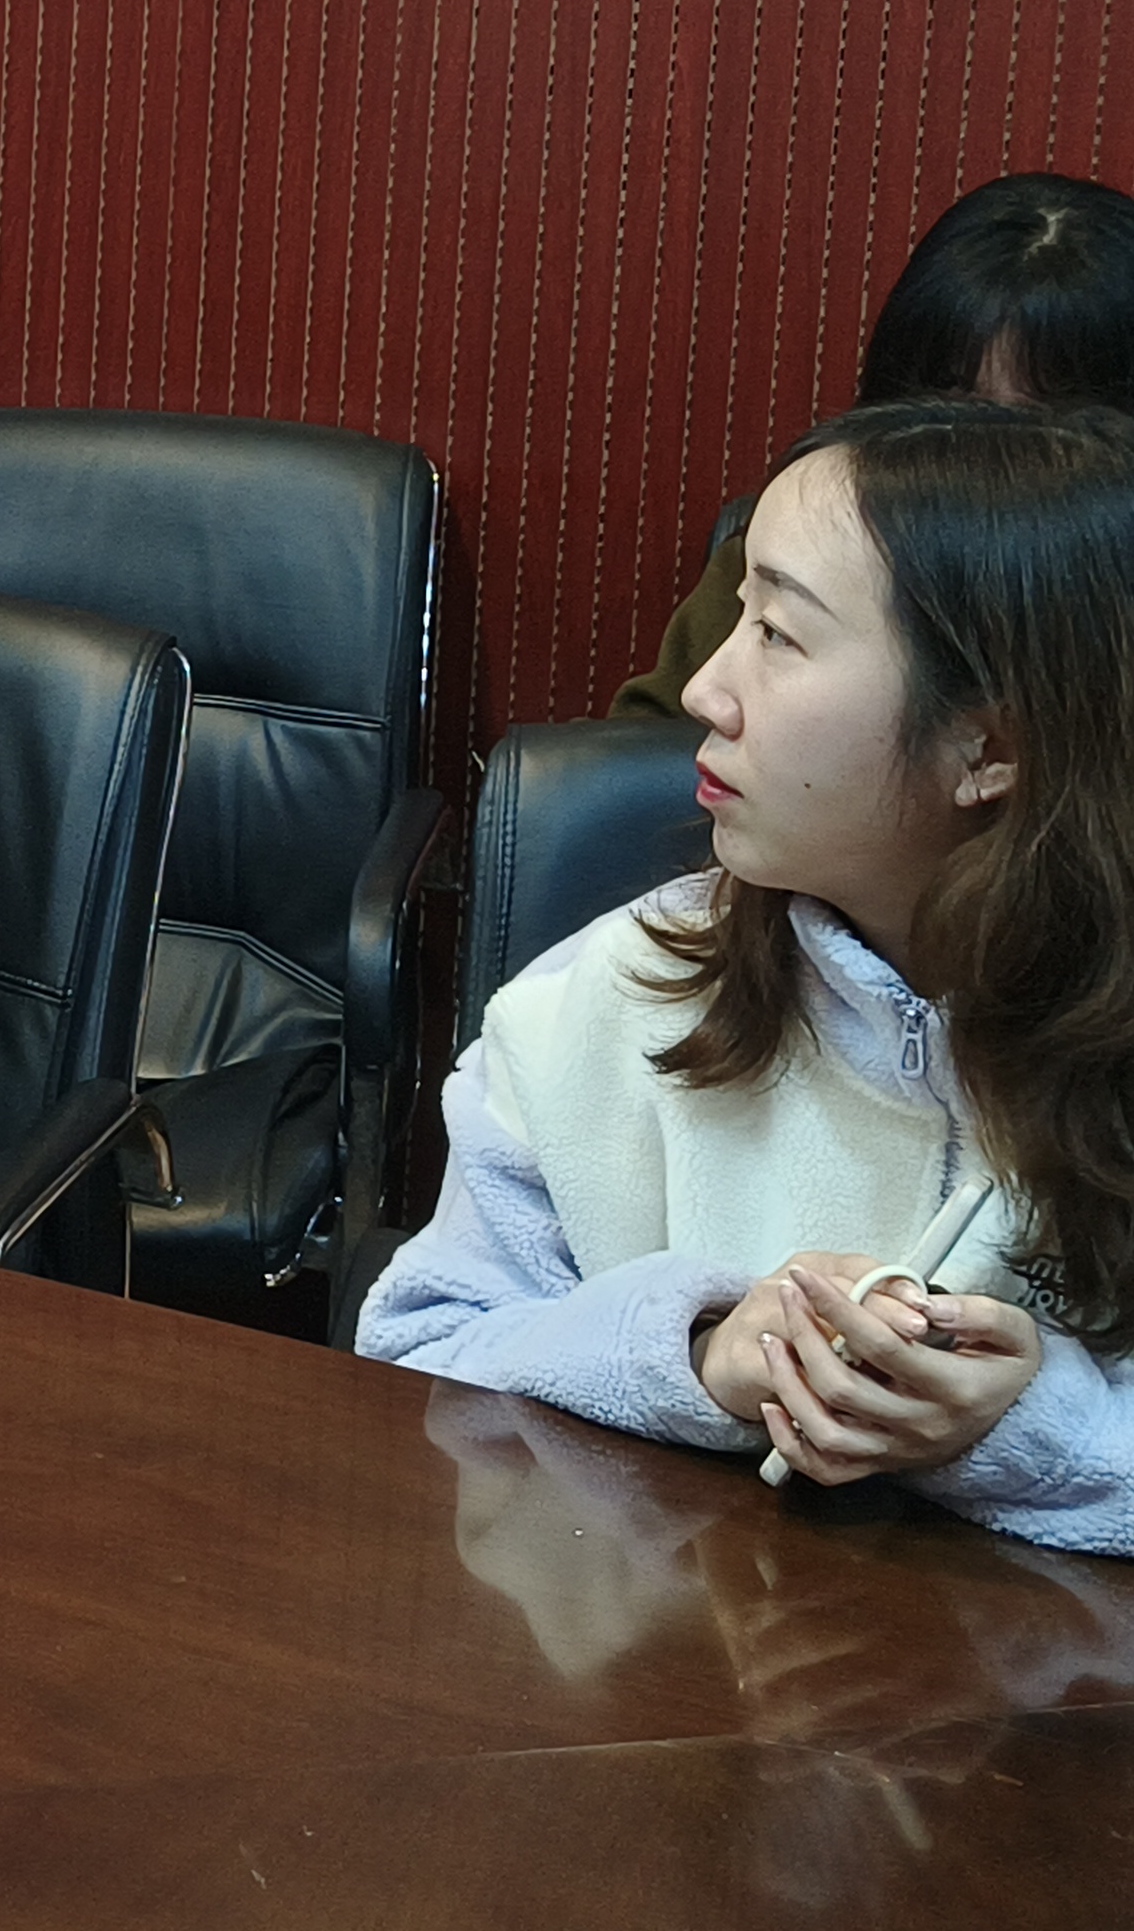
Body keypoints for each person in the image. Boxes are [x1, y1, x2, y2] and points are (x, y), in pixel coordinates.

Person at [364, 399, 1134, 1555]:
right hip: (672, 1656)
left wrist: (1034, 1431)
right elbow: (413, 1357)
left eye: (778, 634)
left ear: (989, 748)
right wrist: (697, 1352)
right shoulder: (610, 1000)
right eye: (740, 614)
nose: (703, 690)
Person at [613, 173, 1134, 715]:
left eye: (1038, 424)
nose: (988, 455)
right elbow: (646, 750)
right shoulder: (794, 563)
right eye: (957, 412)